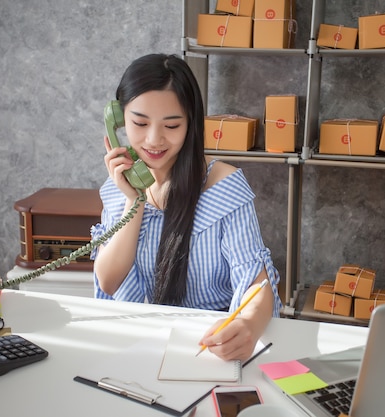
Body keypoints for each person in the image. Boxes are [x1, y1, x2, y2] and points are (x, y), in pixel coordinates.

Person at [90, 53, 282, 361]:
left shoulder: (223, 185)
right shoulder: (119, 186)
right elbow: (108, 281)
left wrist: (248, 323)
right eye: (139, 123)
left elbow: (256, 282)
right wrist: (134, 200)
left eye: (172, 125)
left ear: (190, 123)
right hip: (141, 344)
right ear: (118, 119)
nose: (154, 140)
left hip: (210, 344)